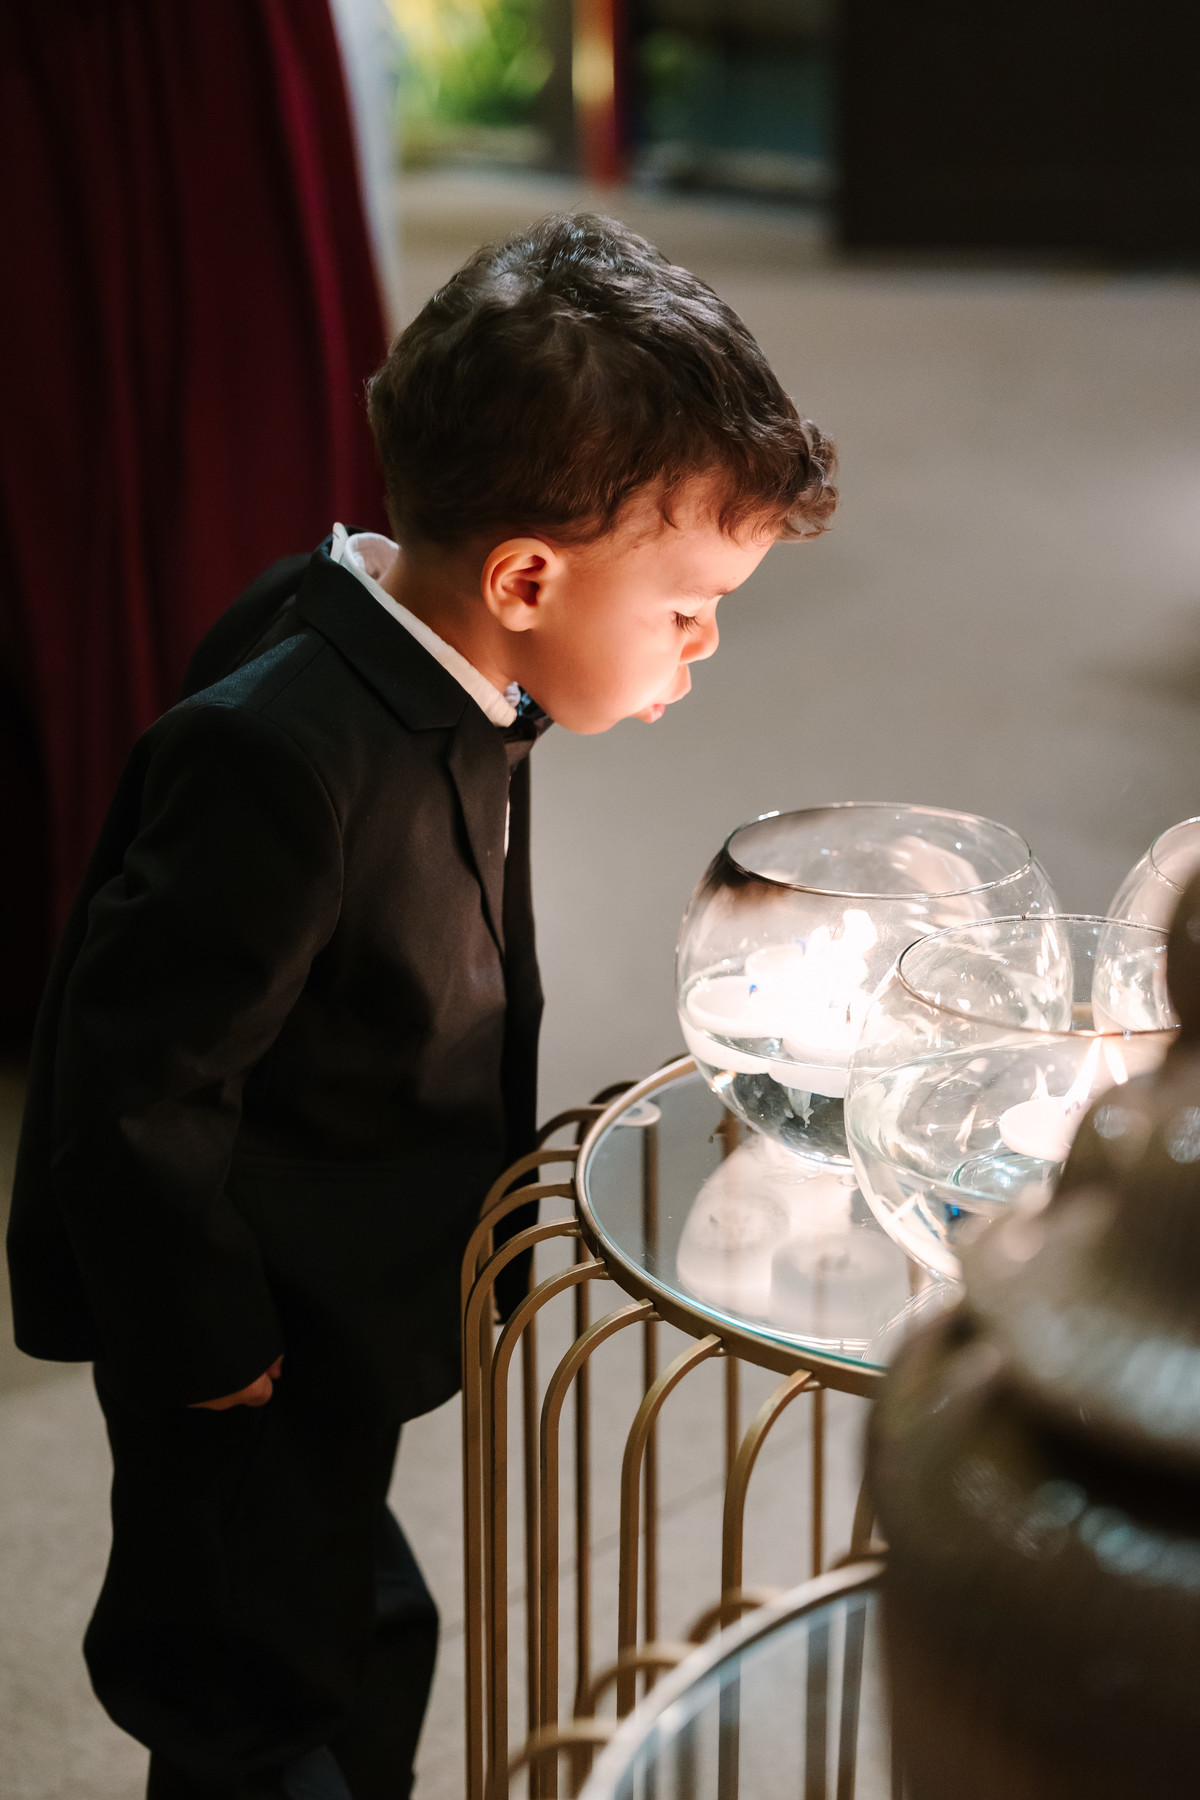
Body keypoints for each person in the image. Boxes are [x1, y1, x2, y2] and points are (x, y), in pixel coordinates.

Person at [6, 213, 836, 1800]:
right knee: (250, 1692)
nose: (708, 641)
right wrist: (207, 1350)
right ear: (527, 576)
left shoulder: (432, 658)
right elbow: (135, 1083)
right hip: (247, 1332)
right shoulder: (283, 753)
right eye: (688, 607)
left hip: (345, 1288)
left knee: (366, 1618)